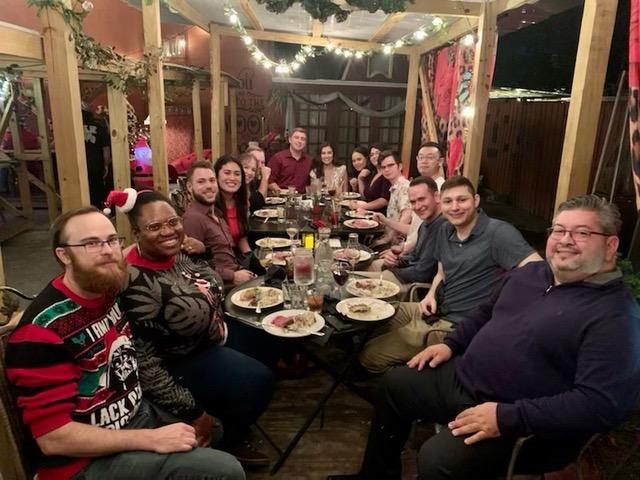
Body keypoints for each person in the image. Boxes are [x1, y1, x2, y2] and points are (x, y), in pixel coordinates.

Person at [330, 195, 640, 480]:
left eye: (582, 233)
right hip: (465, 379)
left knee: (437, 458)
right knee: (395, 384)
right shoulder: (532, 275)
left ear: (610, 246)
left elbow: (600, 406)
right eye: (559, 230)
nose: (565, 241)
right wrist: (449, 345)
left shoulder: (615, 315)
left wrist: (508, 416)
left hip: (525, 425)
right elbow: (484, 313)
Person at [5, 206, 244, 480]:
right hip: (82, 462)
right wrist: (151, 440)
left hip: (135, 414)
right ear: (63, 255)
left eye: (111, 240)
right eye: (91, 243)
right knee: (227, 472)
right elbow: (54, 439)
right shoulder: (42, 331)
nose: (107, 251)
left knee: (214, 429)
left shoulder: (107, 289)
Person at [118, 189, 274, 467]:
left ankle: (232, 412)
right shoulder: (136, 283)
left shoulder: (177, 255)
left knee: (272, 338)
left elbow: (208, 280)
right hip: (182, 359)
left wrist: (206, 252)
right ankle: (227, 437)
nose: (168, 231)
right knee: (258, 379)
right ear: (136, 234)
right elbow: (147, 367)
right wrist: (193, 411)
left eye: (173, 222)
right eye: (154, 226)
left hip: (214, 335)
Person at [358, 175, 542, 373]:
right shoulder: (446, 228)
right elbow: (440, 272)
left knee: (369, 356)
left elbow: (538, 273)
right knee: (370, 322)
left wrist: (504, 314)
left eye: (461, 200)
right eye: (448, 201)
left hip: (455, 325)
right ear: (441, 202)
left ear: (476, 200)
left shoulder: (498, 233)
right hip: (431, 309)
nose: (454, 207)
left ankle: (417, 381)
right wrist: (430, 294)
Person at [357, 176, 445, 295]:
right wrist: (398, 261)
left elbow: (422, 273)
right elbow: (414, 256)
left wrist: (393, 269)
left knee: (354, 283)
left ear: (436, 197)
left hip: (413, 285)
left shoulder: (442, 227)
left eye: (422, 199)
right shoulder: (425, 222)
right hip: (404, 273)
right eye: (413, 202)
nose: (417, 206)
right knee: (357, 268)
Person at [182, 160, 256, 287]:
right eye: (201, 182)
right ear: (189, 187)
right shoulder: (193, 219)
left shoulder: (216, 213)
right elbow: (192, 268)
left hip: (239, 272)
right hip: (222, 287)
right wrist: (232, 276)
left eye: (212, 180)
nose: (209, 186)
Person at [366, 150, 411, 249]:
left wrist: (386, 239)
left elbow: (406, 219)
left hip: (399, 244)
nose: (386, 169)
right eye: (383, 167)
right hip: (391, 237)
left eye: (390, 165)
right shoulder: (394, 187)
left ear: (399, 166)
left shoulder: (404, 187)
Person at [213, 155, 252, 254]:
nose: (232, 178)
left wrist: (249, 256)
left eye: (237, 174)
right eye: (227, 173)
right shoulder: (210, 206)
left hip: (236, 256)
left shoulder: (243, 202)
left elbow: (241, 237)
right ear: (216, 176)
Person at [82, 102, 111, 209]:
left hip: (78, 166)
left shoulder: (72, 128)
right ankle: (95, 212)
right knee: (95, 192)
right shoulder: (99, 127)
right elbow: (106, 149)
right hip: (95, 165)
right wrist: (106, 165)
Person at [267, 127, 313, 194]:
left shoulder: (309, 161)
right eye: (296, 137)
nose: (299, 141)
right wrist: (282, 193)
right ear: (289, 139)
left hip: (302, 200)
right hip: (281, 199)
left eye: (302, 139)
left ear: (305, 143)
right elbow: (270, 181)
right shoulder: (278, 158)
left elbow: (312, 182)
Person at [352, 143, 391, 213]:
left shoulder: (387, 174)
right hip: (367, 214)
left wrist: (361, 206)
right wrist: (360, 179)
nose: (374, 156)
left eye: (377, 153)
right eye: (372, 155)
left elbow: (384, 201)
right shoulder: (373, 173)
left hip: (379, 217)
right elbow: (364, 197)